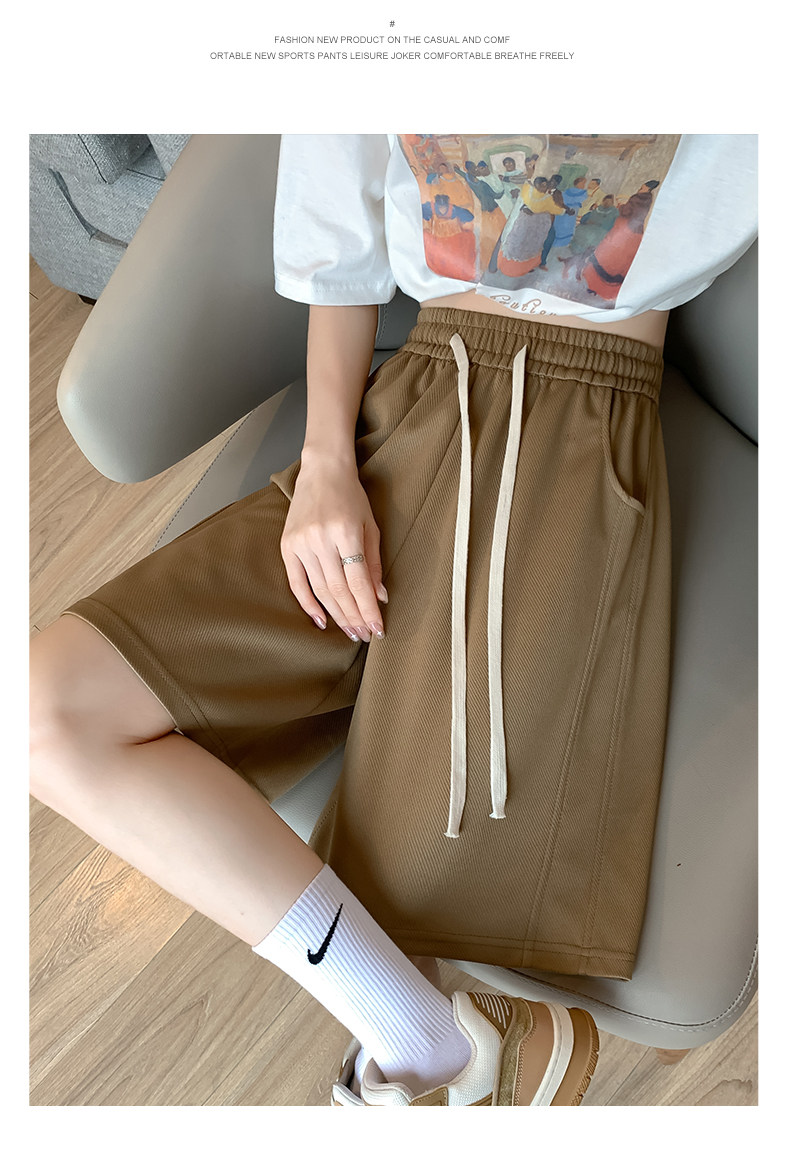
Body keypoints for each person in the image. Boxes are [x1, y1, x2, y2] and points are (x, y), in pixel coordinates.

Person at [29, 133, 758, 1108]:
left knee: (413, 887)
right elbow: (337, 232)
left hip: (575, 429)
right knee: (47, 713)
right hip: (402, 407)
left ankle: (431, 1052)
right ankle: (442, 1048)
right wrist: (325, 465)